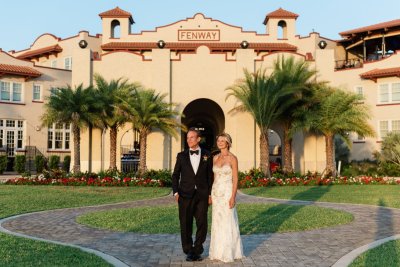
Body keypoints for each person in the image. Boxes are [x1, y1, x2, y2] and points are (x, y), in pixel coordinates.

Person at [172, 127, 213, 262]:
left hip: (202, 195)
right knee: (185, 223)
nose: (189, 140)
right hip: (184, 195)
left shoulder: (207, 155)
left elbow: (210, 176)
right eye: (187, 137)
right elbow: (175, 175)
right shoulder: (181, 155)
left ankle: (197, 249)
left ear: (198, 139)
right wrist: (176, 192)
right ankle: (188, 250)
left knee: (202, 223)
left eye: (192, 137)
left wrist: (210, 194)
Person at [209, 133, 244, 262]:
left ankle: (229, 252)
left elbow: (235, 179)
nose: (220, 142)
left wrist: (233, 197)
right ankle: (217, 252)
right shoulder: (215, 157)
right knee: (217, 221)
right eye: (218, 140)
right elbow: (214, 177)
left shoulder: (233, 158)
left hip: (227, 192)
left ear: (228, 143)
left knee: (228, 221)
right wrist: (210, 194)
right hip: (216, 193)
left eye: (223, 140)